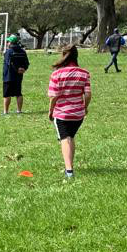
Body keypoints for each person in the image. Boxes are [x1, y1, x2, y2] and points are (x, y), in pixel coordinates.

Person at [48, 45, 92, 179]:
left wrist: (51, 110)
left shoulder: (56, 74)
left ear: (63, 55)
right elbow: (88, 94)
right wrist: (85, 107)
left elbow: (54, 96)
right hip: (78, 115)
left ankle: (69, 171)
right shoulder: (84, 73)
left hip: (62, 114)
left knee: (64, 139)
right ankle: (70, 166)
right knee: (70, 137)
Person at [2, 35, 30, 115]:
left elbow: (9, 63)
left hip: (8, 76)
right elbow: (27, 63)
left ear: (10, 43)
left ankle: (5, 112)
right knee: (18, 93)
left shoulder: (9, 52)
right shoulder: (22, 51)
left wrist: (17, 69)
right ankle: (19, 110)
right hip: (19, 76)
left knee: (7, 94)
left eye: (8, 41)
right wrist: (23, 69)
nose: (7, 43)